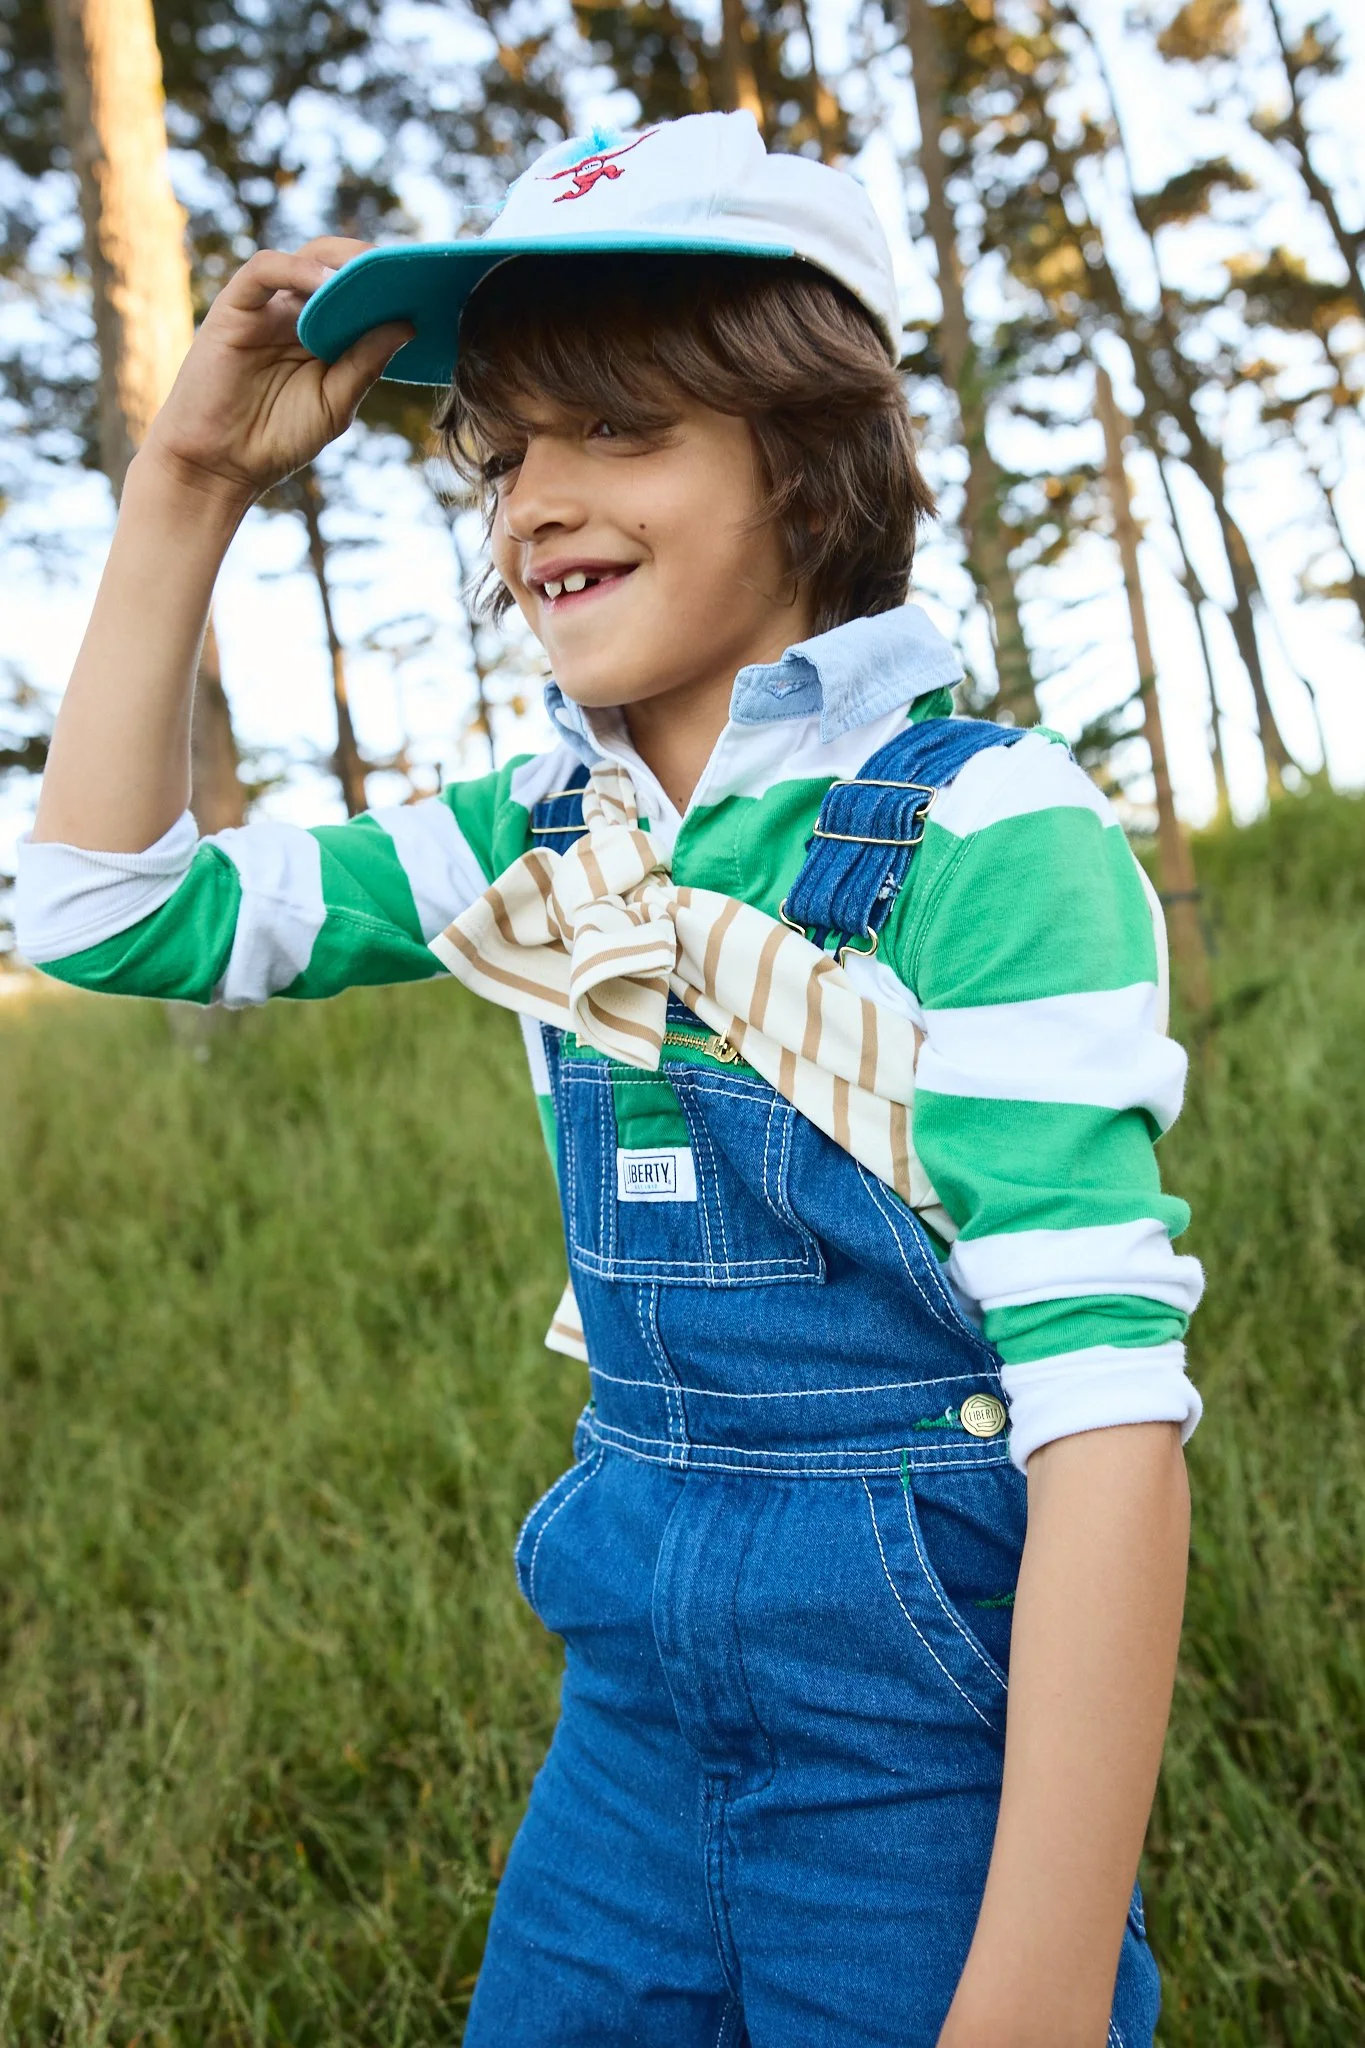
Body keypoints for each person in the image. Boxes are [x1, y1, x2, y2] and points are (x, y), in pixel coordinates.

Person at [16, 110, 1203, 2048]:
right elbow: (97, 910)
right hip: (632, 1724)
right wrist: (190, 477)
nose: (532, 505)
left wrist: (1040, 1991)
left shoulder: (986, 830)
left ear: (809, 460)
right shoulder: (530, 835)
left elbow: (1101, 1407)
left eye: (620, 431)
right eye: (502, 453)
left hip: (913, 1737)